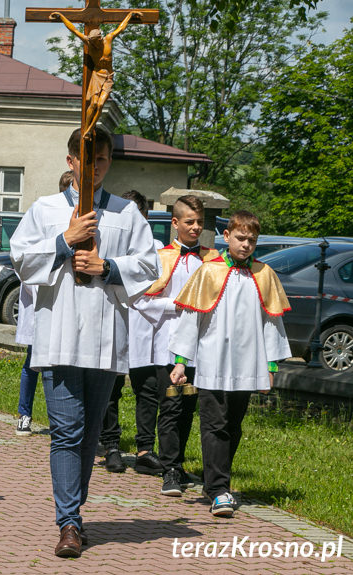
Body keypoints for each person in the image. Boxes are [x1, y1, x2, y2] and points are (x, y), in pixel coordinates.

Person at [9, 127, 158, 558]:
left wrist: (107, 266)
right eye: (88, 160)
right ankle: (69, 523)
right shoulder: (46, 209)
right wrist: (64, 242)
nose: (96, 168)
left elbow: (148, 264)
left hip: (104, 336)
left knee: (90, 434)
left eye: (104, 160)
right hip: (59, 333)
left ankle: (75, 510)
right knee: (66, 431)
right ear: (71, 161)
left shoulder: (127, 213)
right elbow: (20, 258)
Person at [170, 210, 291, 518]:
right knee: (214, 424)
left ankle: (218, 480)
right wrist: (182, 362)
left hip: (248, 365)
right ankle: (218, 489)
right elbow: (191, 318)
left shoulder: (264, 275)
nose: (246, 245)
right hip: (213, 361)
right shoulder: (208, 272)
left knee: (233, 426)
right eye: (240, 238)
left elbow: (271, 323)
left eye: (252, 240)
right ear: (227, 237)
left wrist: (272, 368)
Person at [129, 195, 219, 494]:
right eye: (190, 222)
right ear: (175, 223)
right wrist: (175, 305)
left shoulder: (212, 259)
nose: (195, 228)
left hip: (199, 345)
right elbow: (142, 299)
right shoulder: (162, 257)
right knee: (170, 404)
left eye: (200, 223)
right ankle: (169, 469)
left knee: (189, 406)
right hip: (167, 344)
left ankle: (179, 463)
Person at [99, 190, 166, 475]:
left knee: (147, 389)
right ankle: (112, 445)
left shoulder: (157, 246)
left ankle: (144, 449)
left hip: (147, 329)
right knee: (111, 389)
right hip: (118, 322)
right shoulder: (110, 241)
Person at [16, 172, 72, 436]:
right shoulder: (45, 217)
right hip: (42, 303)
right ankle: (24, 414)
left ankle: (60, 420)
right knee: (32, 363)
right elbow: (27, 264)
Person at [53, 10, 141, 139]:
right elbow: (74, 30)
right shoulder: (89, 42)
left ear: (100, 38)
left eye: (98, 40)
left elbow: (120, 28)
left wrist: (130, 15)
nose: (97, 43)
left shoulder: (108, 40)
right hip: (96, 76)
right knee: (93, 104)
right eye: (94, 42)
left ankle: (90, 129)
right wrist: (61, 17)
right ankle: (87, 129)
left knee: (100, 105)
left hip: (108, 77)